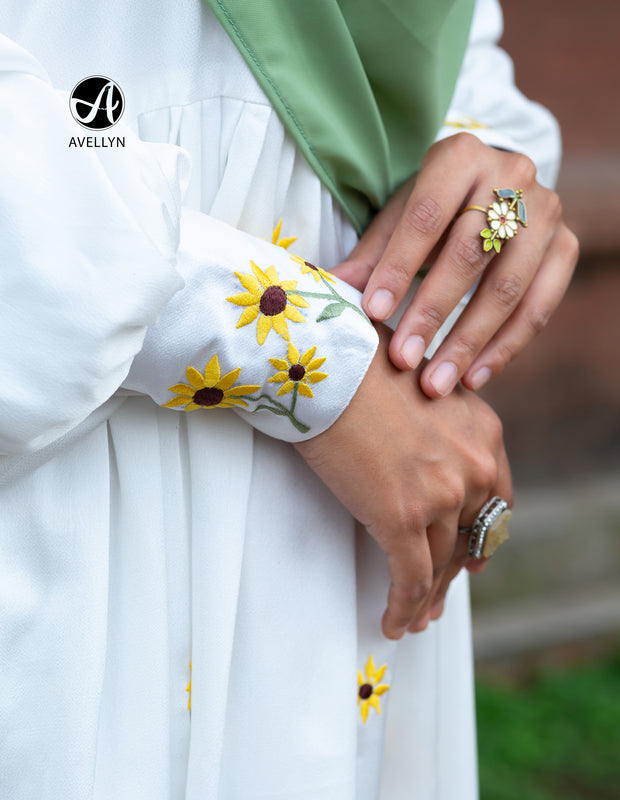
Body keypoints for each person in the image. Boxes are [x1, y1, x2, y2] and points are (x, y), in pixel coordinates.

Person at [0, 1, 577, 798]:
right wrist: (306, 356)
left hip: (365, 487)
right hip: (82, 443)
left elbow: (454, 42)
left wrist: (487, 174)